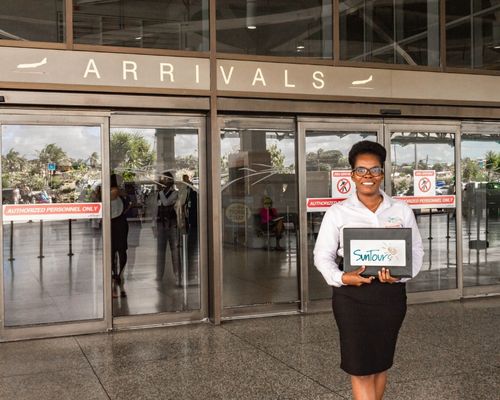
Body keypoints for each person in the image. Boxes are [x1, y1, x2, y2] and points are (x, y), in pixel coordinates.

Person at [313, 141, 424, 400]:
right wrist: (342, 277)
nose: (368, 176)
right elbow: (322, 256)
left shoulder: (401, 210)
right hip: (352, 298)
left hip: (390, 297)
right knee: (360, 369)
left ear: (382, 173)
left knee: (380, 365)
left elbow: (416, 251)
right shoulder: (338, 212)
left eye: (374, 170)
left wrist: (401, 275)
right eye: (361, 170)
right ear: (352, 175)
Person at [154, 171, 181, 286]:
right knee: (160, 252)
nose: (162, 182)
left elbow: (165, 203)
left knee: (174, 251)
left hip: (172, 225)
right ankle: (159, 275)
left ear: (170, 181)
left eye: (164, 179)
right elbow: (156, 209)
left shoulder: (175, 193)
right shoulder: (159, 194)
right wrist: (153, 224)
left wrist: (160, 192)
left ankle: (177, 275)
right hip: (161, 224)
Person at [110, 174, 130, 298]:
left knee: (118, 251)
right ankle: (117, 276)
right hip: (117, 223)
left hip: (117, 223)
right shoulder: (115, 191)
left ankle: (117, 275)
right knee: (117, 251)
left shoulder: (115, 192)